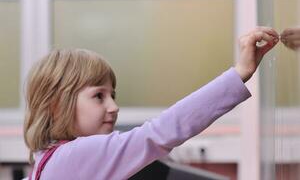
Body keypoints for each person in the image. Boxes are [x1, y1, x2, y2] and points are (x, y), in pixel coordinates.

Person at [23, 27, 279, 180]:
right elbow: (158, 133)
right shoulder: (73, 156)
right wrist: (240, 72)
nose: (113, 107)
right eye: (98, 96)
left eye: (113, 95)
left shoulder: (47, 162)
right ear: (57, 105)